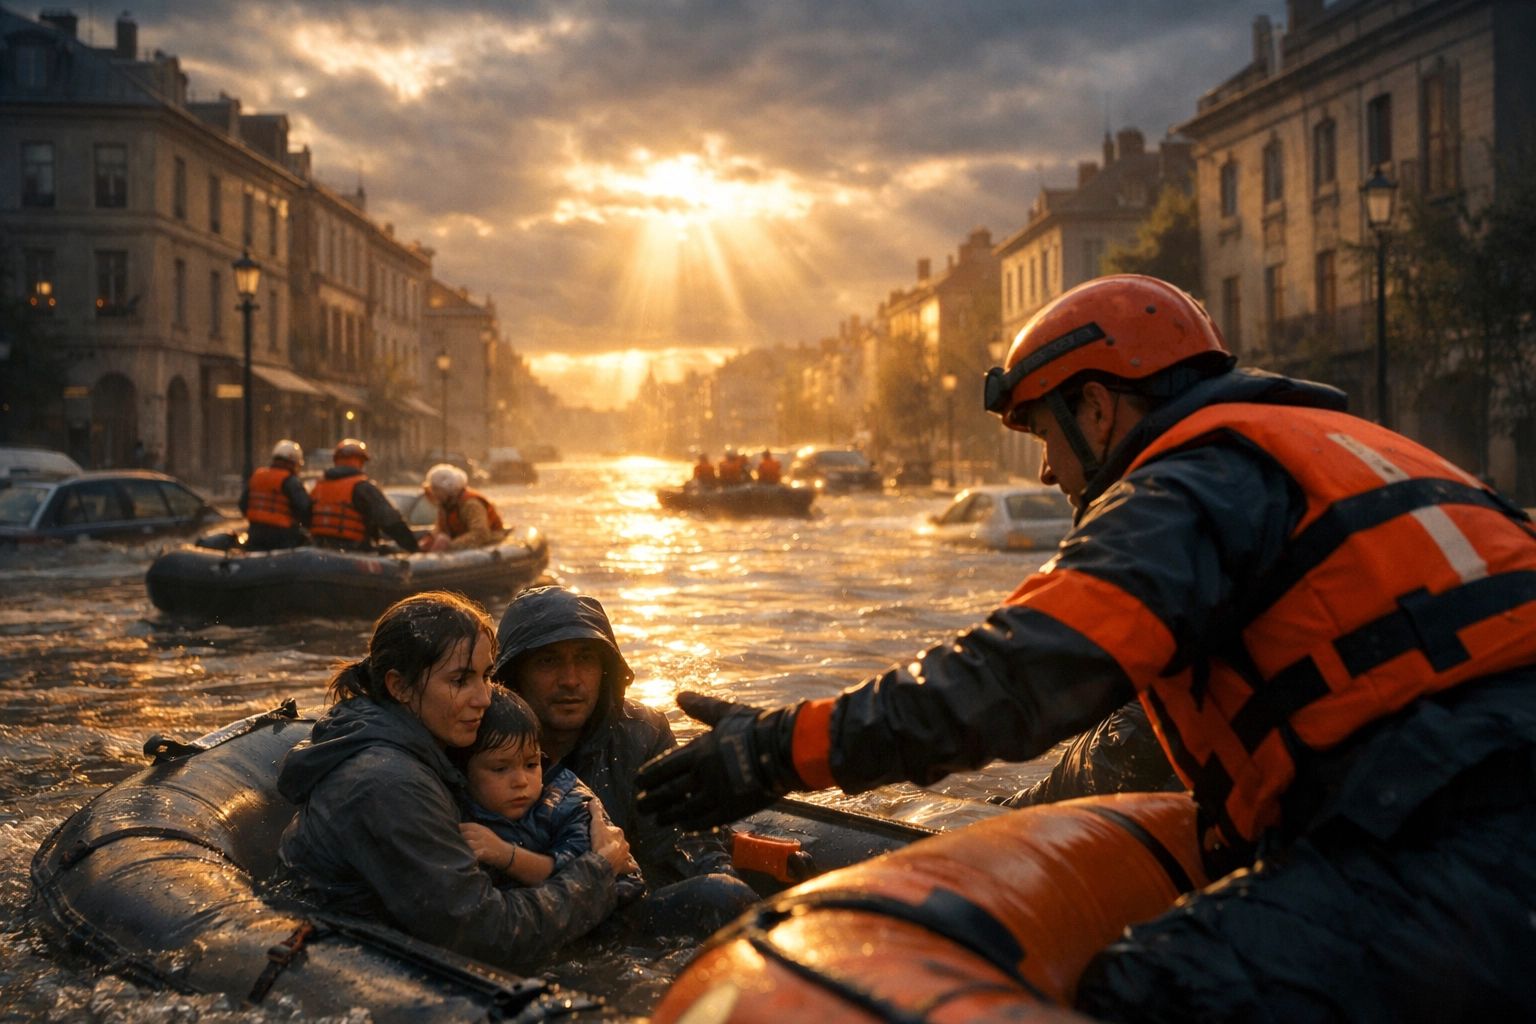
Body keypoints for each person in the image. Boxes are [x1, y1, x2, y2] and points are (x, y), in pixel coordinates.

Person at [637, 274, 1536, 1022]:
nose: (1040, 471)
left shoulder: (1189, 482)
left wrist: (777, 748)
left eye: (1038, 432)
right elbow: (1149, 733)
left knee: (1148, 987)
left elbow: (1020, 673)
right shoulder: (1354, 450)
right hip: (1468, 799)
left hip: (1460, 835)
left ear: (1098, 409)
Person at [274, 592, 631, 965]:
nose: (484, 698)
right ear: (399, 686)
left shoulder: (410, 748)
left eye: (486, 676)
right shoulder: (390, 783)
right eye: (460, 680)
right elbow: (488, 935)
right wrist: (598, 870)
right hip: (340, 967)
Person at [494, 586, 758, 937]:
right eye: (549, 661)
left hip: (622, 909)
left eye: (586, 658)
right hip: (527, 921)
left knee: (724, 895)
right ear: (515, 673)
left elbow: (687, 844)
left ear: (605, 669)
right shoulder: (478, 743)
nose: (570, 679)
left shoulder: (642, 734)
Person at [452, 686, 647, 905]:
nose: (521, 781)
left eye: (531, 764)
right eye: (500, 769)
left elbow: (582, 877)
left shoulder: (569, 802)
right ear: (462, 772)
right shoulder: (451, 805)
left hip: (619, 910)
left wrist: (506, 855)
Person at [309, 438, 419, 552]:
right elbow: (391, 522)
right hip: (354, 551)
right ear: (360, 462)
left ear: (336, 460)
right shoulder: (363, 487)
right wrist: (413, 547)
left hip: (320, 550)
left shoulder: (318, 486)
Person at [238, 439, 312, 551]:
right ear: (292, 463)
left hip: (255, 533)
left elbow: (243, 504)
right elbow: (305, 506)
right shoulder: (290, 480)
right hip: (282, 537)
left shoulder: (257, 476)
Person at [422, 463, 506, 553]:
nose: (433, 493)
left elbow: (481, 534)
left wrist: (451, 545)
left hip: (487, 546)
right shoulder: (446, 505)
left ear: (447, 489)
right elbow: (442, 528)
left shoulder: (471, 504)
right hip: (461, 545)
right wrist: (431, 538)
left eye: (436, 489)